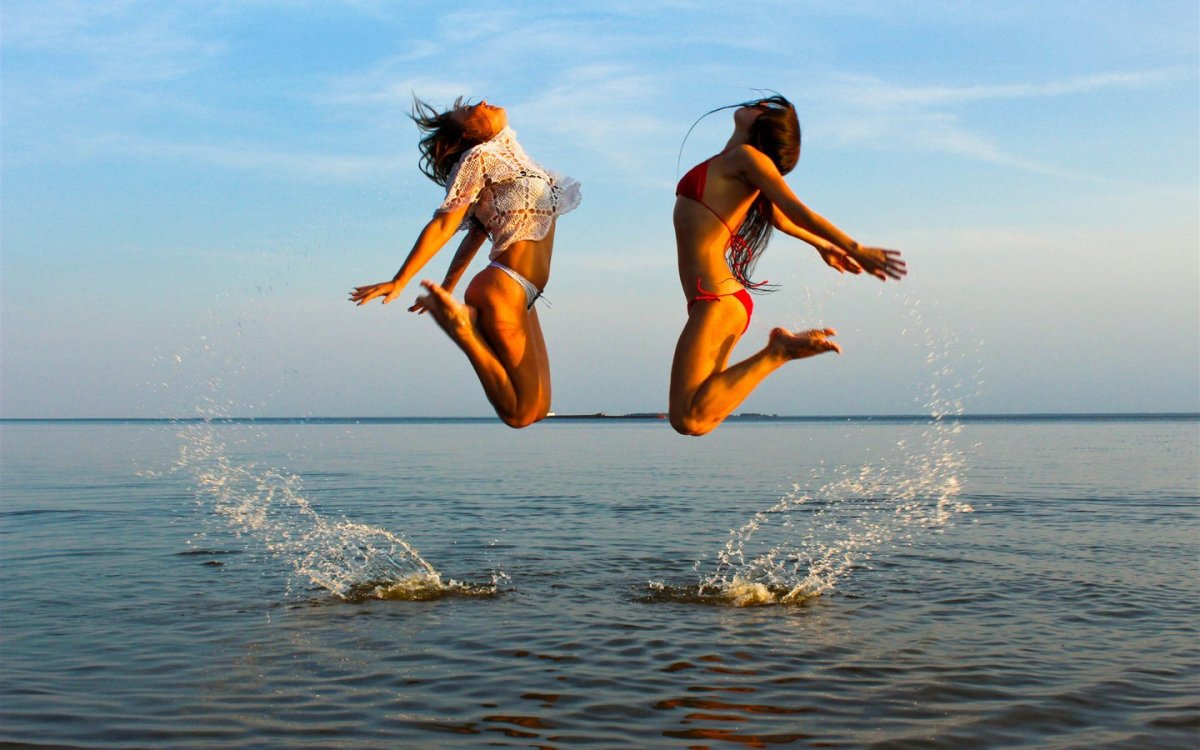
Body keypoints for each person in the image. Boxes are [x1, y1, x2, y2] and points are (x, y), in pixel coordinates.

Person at [670, 94, 906, 436]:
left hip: (717, 300)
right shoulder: (733, 163)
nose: (757, 106)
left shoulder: (748, 158)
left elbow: (796, 209)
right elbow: (779, 218)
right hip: (712, 299)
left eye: (766, 108)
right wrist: (822, 245)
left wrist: (855, 248)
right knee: (698, 419)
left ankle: (778, 352)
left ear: (765, 129)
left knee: (688, 418)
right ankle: (778, 352)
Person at [350, 98, 581, 428]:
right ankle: (464, 331)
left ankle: (463, 323)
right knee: (519, 414)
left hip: (524, 294)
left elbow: (476, 232)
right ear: (468, 134)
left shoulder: (517, 160)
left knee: (539, 410)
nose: (483, 102)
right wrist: (400, 280)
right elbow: (444, 224)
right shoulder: (479, 158)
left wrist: (448, 287)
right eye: (471, 109)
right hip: (503, 288)